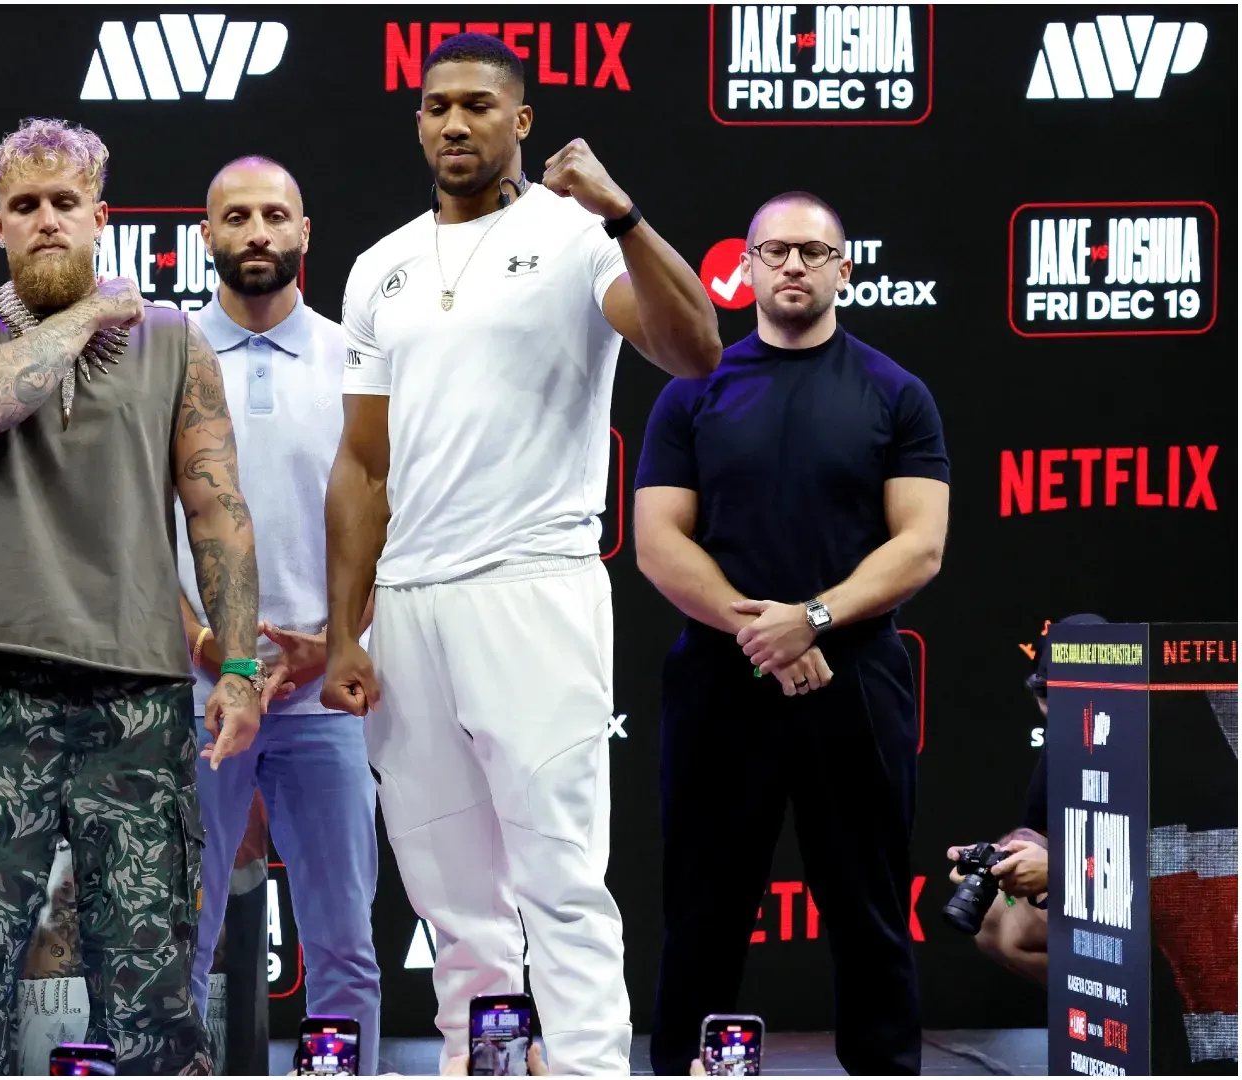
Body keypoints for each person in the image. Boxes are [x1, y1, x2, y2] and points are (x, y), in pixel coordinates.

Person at [323, 33, 721, 1075]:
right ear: (418, 120)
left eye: (479, 106)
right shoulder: (379, 267)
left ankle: (588, 1068)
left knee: (561, 882)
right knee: (451, 899)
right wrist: (345, 629)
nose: (455, 123)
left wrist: (622, 214)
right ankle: (482, 1063)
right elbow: (362, 465)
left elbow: (694, 350)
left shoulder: (579, 238)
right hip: (409, 604)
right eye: (437, 106)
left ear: (522, 121)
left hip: (532, 591)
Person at [0, 117, 263, 1076]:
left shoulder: (174, 339)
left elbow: (217, 507)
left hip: (137, 696)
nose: (48, 221)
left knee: (153, 991)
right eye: (26, 206)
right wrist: (83, 317)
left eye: (67, 202)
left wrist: (237, 664)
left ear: (101, 216)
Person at [634, 191, 950, 1075]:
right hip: (720, 678)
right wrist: (763, 634)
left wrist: (809, 620)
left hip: (856, 679)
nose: (794, 267)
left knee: (869, 903)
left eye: (813, 252)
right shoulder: (693, 392)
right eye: (775, 252)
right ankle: (684, 1070)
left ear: (845, 268)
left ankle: (885, 1070)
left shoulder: (897, 394)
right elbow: (658, 542)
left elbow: (920, 545)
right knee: (703, 904)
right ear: (747, 267)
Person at [175, 155, 382, 1075]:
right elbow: (134, 532)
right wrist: (208, 648)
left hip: (321, 695)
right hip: (196, 692)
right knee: (177, 943)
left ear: (304, 232)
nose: (256, 232)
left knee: (344, 946)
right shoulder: (166, 355)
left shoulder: (356, 358)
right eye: (236, 217)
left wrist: (337, 644)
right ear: (206, 235)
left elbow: (389, 517)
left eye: (273, 215)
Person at [943, 616, 1106, 986]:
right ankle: (1098, 1007)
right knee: (993, 918)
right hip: (1095, 881)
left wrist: (1058, 872)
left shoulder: (1153, 742)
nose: (1061, 712)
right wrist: (1001, 858)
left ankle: (1149, 1009)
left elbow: (1165, 867)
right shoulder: (1063, 738)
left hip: (1167, 905)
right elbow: (1036, 830)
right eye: (1049, 698)